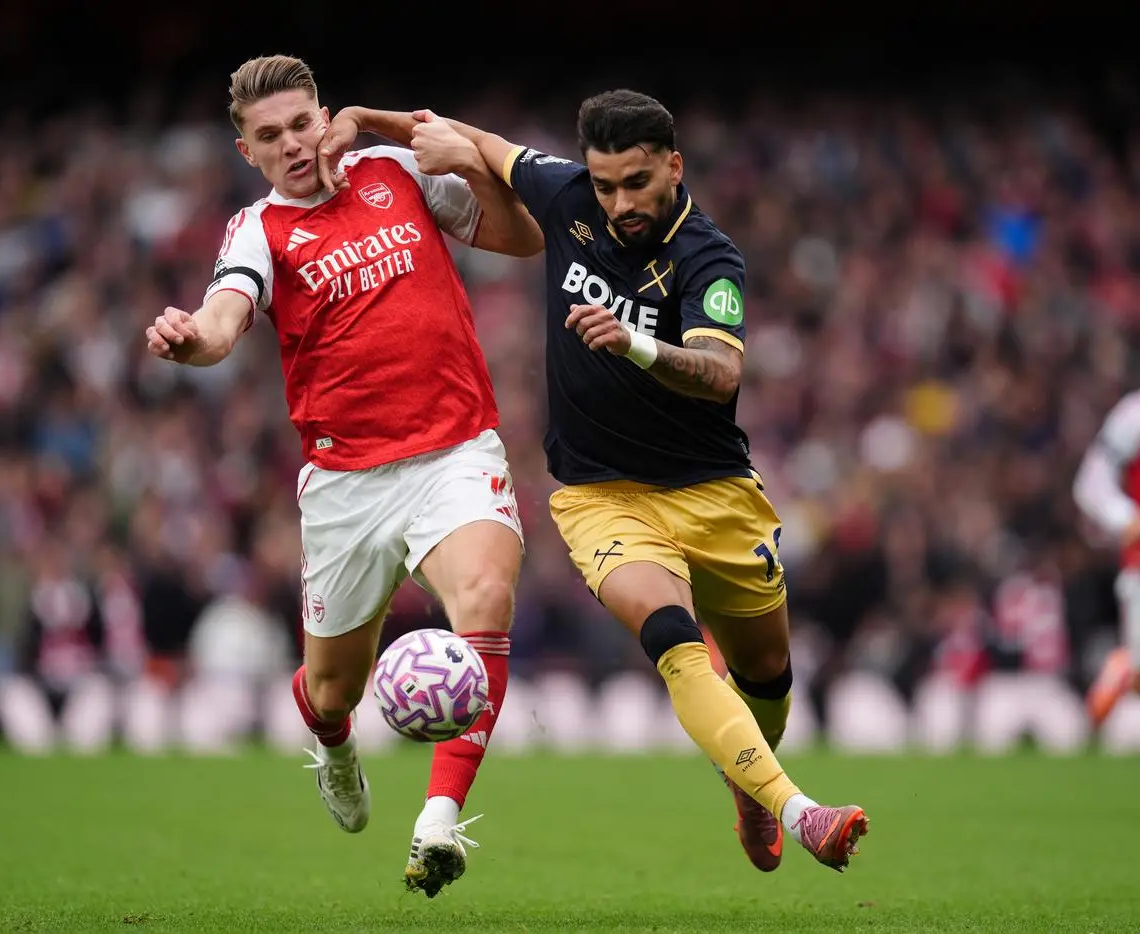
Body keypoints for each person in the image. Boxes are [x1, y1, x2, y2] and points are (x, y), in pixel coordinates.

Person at [318, 91, 868, 872]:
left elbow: (721, 373)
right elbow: (476, 140)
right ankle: (801, 810)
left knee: (767, 682)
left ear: (674, 168)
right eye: (606, 185)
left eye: (636, 184)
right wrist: (364, 120)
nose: (618, 204)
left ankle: (750, 782)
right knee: (675, 639)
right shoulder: (568, 194)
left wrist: (637, 344)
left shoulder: (710, 258)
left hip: (715, 493)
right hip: (602, 497)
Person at [144, 54, 542, 897]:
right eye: (269, 136)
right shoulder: (258, 229)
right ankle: (332, 745)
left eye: (300, 123)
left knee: (485, 600)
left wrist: (429, 137)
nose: (292, 145)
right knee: (332, 688)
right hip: (346, 484)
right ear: (245, 150)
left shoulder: (393, 168)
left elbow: (523, 235)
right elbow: (224, 318)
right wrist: (194, 343)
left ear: (325, 115)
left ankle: (438, 822)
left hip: (454, 452)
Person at [1073, 390, 1140, 726]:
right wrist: (1126, 518)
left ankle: (1128, 668)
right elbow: (1090, 482)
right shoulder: (1134, 414)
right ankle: (1130, 668)